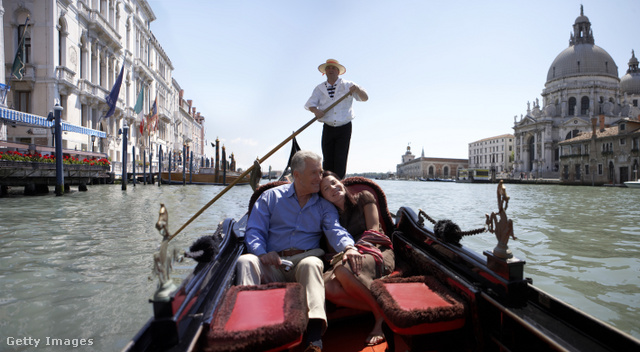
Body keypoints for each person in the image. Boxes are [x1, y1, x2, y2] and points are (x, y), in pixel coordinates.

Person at [235, 150, 363, 352]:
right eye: (315, 173)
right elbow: (254, 230)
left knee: (312, 264)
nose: (319, 178)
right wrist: (262, 253)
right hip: (272, 263)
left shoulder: (323, 206)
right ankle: (247, 331)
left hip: (305, 261)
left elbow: (335, 230)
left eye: (320, 172)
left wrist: (349, 246)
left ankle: (314, 340)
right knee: (245, 262)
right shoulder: (271, 197)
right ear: (296, 175)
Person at [319, 171, 395, 346]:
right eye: (325, 188)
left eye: (334, 182)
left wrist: (353, 251)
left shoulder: (364, 198)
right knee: (327, 286)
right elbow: (333, 249)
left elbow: (374, 231)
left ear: (341, 182)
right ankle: (384, 311)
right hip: (348, 256)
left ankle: (379, 319)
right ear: (323, 197)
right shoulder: (329, 217)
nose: (332, 188)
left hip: (377, 250)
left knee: (342, 269)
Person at [305, 59, 368, 179]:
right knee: (327, 159)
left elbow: (365, 98)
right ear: (325, 72)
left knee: (340, 158)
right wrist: (316, 111)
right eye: (328, 68)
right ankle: (327, 184)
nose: (331, 70)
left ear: (338, 72)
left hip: (344, 126)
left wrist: (358, 90)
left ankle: (339, 184)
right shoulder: (319, 89)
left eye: (333, 68)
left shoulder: (349, 85)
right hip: (328, 127)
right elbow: (310, 104)